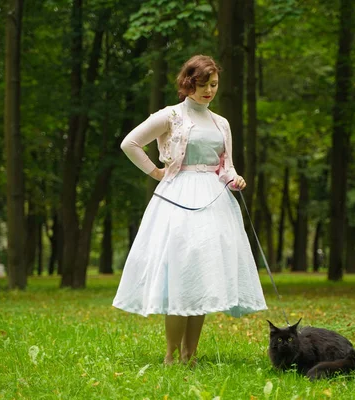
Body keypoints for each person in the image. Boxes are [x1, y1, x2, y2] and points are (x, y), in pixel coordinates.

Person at [112, 55, 267, 365]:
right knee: (181, 273)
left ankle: (190, 354)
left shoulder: (220, 122)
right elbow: (130, 143)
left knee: (202, 276)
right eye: (202, 85)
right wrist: (155, 172)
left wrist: (234, 178)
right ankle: (170, 355)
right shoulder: (170, 116)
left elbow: (226, 165)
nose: (208, 91)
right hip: (178, 198)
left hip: (215, 203)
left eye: (214, 85)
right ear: (187, 83)